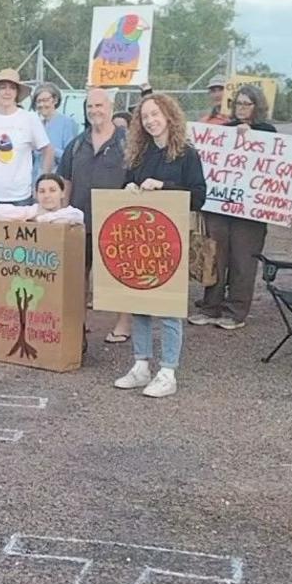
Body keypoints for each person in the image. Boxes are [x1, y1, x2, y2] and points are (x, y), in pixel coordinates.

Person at [113, 94, 207, 398]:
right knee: (139, 303)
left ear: (169, 116)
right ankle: (141, 366)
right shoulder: (139, 155)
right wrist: (128, 188)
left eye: (156, 114)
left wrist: (164, 186)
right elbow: (126, 187)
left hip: (172, 240)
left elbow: (199, 196)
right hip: (141, 239)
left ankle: (168, 371)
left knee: (168, 307)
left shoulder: (187, 154)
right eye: (145, 116)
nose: (151, 121)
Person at [0, 68, 54, 325]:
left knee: (17, 253)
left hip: (18, 197)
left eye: (11, 88)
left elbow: (46, 150)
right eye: (2, 87)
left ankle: (15, 304)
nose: (6, 92)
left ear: (17, 93)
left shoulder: (28, 120)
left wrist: (42, 180)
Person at [189, 84, 277, 330]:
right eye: (238, 103)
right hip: (219, 206)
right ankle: (210, 306)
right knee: (215, 256)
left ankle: (235, 311)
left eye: (247, 104)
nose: (241, 109)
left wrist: (251, 136)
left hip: (250, 211)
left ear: (257, 106)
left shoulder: (268, 132)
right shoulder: (223, 131)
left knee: (243, 259)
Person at [59, 87, 133, 343]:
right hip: (81, 221)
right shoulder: (77, 143)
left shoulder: (129, 142)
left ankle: (123, 324)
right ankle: (80, 323)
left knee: (119, 275)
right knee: (79, 275)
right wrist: (64, 214)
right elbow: (65, 181)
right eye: (90, 107)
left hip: (117, 223)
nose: (94, 111)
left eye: (99, 106)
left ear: (110, 107)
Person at [32, 83, 80, 184]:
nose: (42, 105)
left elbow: (70, 156)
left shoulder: (67, 123)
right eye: (38, 101)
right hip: (36, 180)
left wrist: (50, 150)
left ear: (55, 100)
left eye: (45, 100)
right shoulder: (36, 124)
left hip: (57, 180)